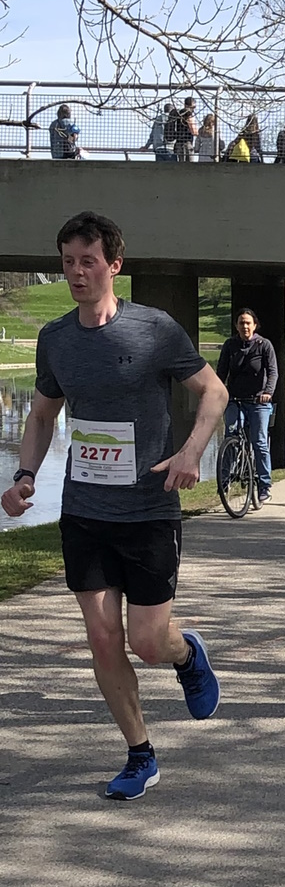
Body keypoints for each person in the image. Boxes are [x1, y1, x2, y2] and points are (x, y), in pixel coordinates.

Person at [0, 211, 227, 799]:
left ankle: (186, 654)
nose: (77, 273)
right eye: (68, 262)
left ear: (114, 266)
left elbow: (214, 391)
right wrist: (25, 475)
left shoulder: (154, 329)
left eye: (88, 262)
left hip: (149, 509)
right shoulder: (56, 339)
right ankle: (139, 754)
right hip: (85, 512)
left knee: (148, 642)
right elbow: (42, 415)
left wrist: (190, 452)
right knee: (103, 638)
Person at [215, 308, 278, 503]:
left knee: (259, 441)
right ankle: (224, 480)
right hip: (235, 399)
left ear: (255, 325)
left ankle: (264, 485)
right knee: (231, 433)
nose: (245, 326)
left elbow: (273, 372)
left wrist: (267, 392)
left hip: (258, 402)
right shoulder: (230, 345)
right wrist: (217, 393)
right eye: (241, 323)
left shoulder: (264, 345)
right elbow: (221, 372)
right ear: (236, 326)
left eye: (248, 323)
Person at [173, 98, 198, 163]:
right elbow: (193, 131)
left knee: (181, 164)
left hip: (178, 142)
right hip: (187, 143)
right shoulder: (189, 114)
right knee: (189, 165)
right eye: (193, 107)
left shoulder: (180, 113)